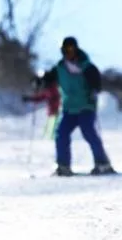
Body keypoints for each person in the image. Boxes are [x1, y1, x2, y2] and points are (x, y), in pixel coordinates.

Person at [41, 37, 115, 176]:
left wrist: (94, 89)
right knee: (61, 134)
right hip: (69, 108)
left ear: (76, 49)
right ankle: (63, 166)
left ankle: (102, 163)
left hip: (86, 106)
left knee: (89, 132)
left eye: (71, 49)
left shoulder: (87, 66)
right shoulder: (60, 68)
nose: (68, 53)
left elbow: (96, 82)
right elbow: (48, 80)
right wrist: (40, 82)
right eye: (65, 50)